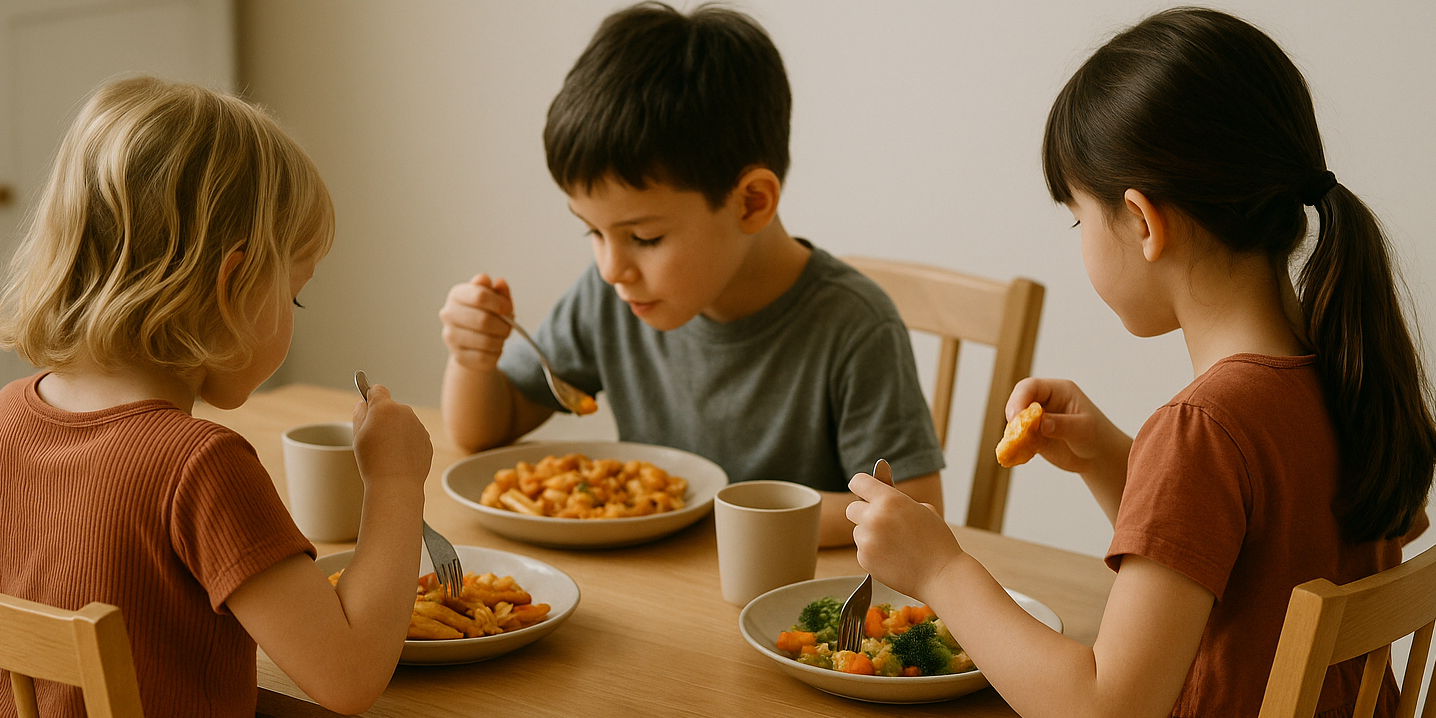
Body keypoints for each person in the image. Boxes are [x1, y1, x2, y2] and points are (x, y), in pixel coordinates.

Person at [846, 8, 1434, 718]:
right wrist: (1106, 457)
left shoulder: (1204, 429)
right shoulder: (1342, 368)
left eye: (1077, 217)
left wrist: (938, 568)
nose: (1078, 238)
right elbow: (1245, 553)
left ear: (1142, 221)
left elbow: (1105, 707)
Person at [0, 76, 433, 717]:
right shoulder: (200, 467)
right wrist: (396, 481)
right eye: (293, 294)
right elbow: (349, 674)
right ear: (233, 286)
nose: (293, 312)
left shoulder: (8, 415)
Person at [438, 2, 945, 546]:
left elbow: (913, 509)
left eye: (645, 238)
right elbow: (483, 431)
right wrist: (472, 358)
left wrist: (712, 512)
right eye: (591, 231)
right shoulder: (612, 297)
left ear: (751, 202)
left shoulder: (853, 327)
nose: (611, 268)